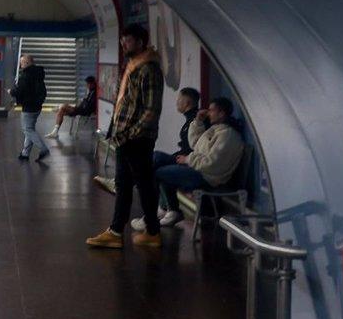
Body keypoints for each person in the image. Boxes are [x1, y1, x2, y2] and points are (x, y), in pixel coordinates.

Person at [87, 24, 164, 248]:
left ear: (140, 42)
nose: (123, 44)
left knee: (141, 184)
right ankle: (125, 231)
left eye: (128, 40)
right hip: (126, 137)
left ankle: (137, 231)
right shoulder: (133, 66)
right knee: (128, 184)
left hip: (136, 139)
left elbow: (151, 109)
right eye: (122, 40)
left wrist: (131, 134)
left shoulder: (148, 69)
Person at [138, 97, 246, 228]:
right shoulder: (217, 129)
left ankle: (158, 213)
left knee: (158, 173)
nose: (208, 113)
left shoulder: (228, 136)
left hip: (207, 176)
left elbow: (213, 163)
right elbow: (195, 144)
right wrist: (198, 121)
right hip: (197, 167)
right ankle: (166, 209)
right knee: (157, 157)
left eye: (212, 110)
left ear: (222, 113)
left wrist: (188, 159)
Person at [10, 54, 48, 162]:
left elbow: (20, 91)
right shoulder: (38, 73)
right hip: (37, 106)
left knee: (28, 129)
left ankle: (43, 148)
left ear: (27, 63)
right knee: (30, 129)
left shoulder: (26, 75)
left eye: (22, 63)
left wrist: (12, 92)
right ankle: (25, 153)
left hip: (29, 106)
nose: (21, 65)